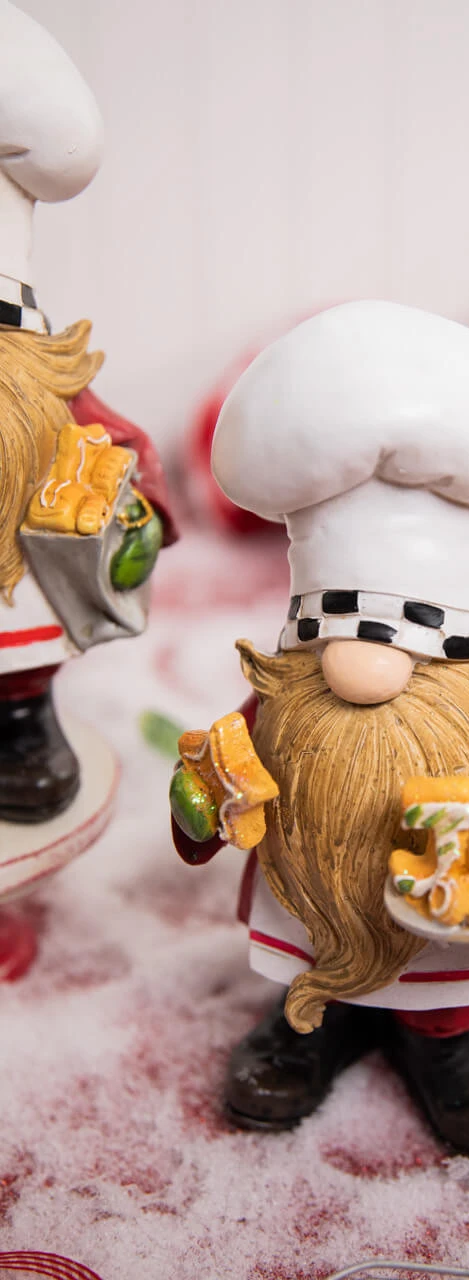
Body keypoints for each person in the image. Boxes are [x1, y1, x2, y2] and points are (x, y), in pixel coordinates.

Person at [172, 301, 469, 1157]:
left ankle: (449, 1036)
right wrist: (200, 804)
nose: (362, 670)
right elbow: (210, 790)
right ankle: (312, 1017)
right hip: (313, 898)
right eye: (339, 638)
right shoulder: (288, 712)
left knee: (447, 981)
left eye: (414, 646)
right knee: (311, 958)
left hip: (460, 909)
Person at [0, 2, 176, 822]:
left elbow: (111, 436)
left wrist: (137, 504)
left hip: (18, 582)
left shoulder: (37, 383)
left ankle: (20, 727)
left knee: (20, 662)